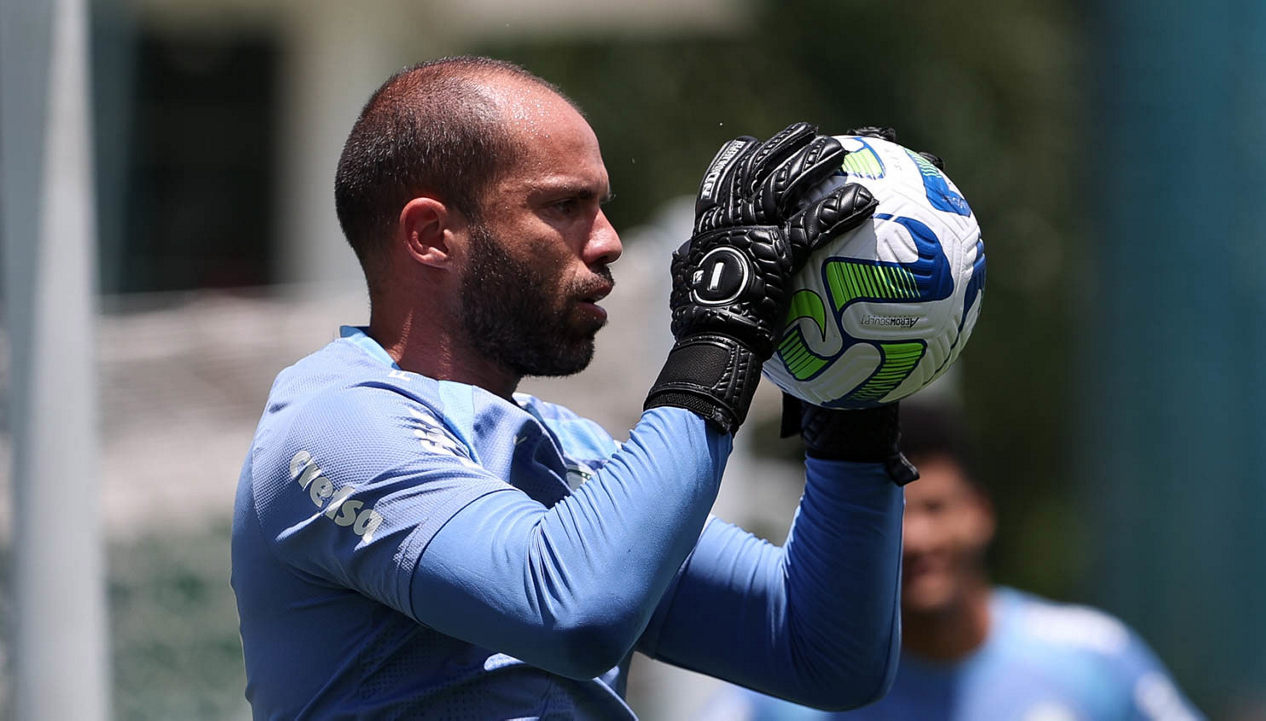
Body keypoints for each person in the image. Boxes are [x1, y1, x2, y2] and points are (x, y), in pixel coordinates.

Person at [230, 55, 919, 719]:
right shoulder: (334, 423)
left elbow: (825, 653)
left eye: (602, 206)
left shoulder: (567, 449)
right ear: (432, 235)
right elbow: (568, 611)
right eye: (566, 205)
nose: (609, 241)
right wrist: (721, 332)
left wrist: (847, 403)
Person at [713, 401, 1205, 721]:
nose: (916, 539)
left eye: (935, 508)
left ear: (980, 513)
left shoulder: (1093, 658)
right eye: (892, 519)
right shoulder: (789, 693)